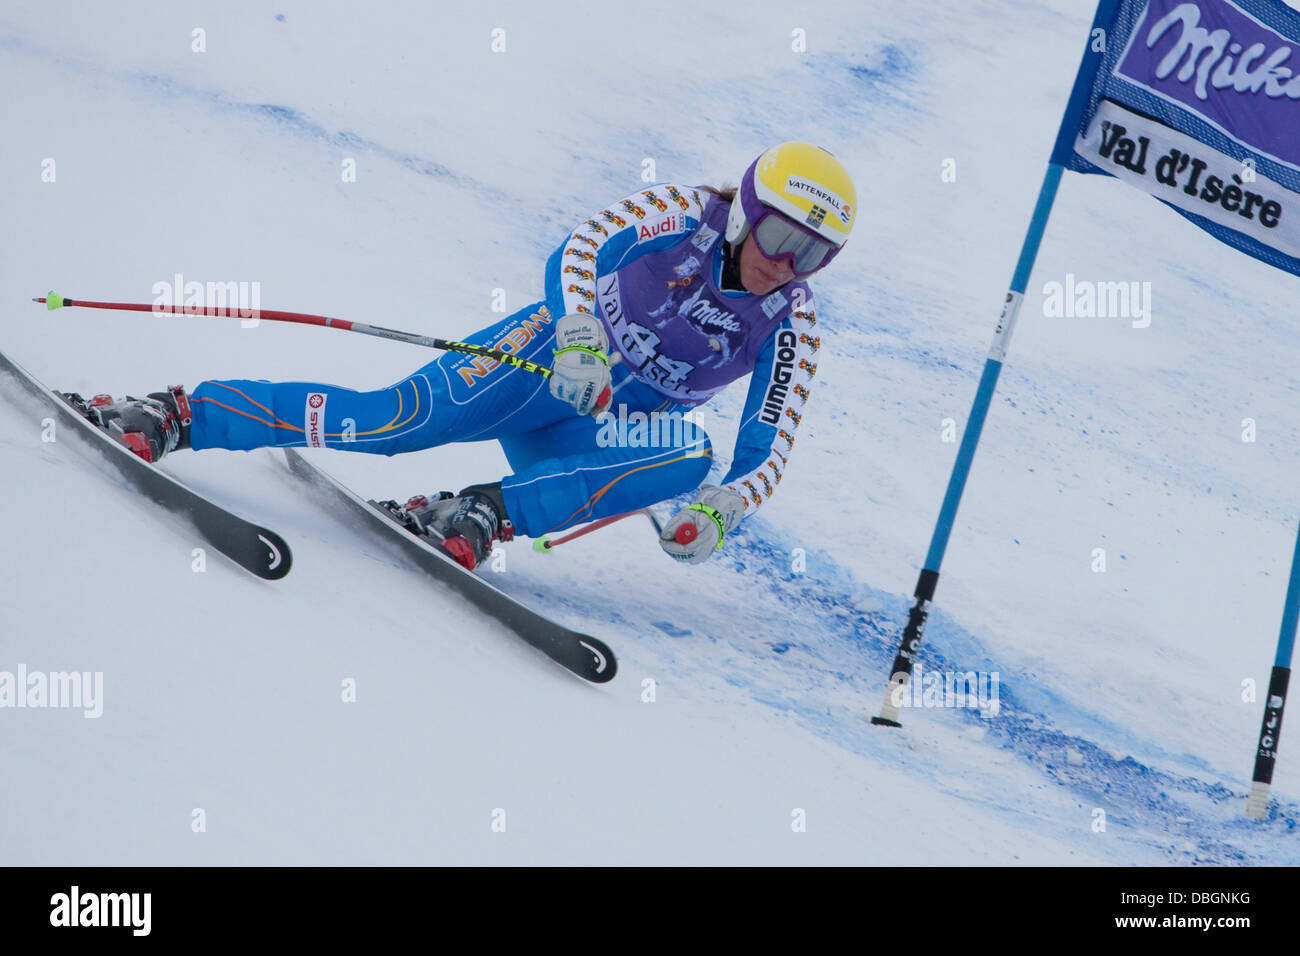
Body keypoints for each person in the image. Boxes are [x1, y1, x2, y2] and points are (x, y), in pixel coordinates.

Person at [80, 142, 856, 569]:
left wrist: (726, 507)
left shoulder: (792, 323)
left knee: (689, 457)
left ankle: (480, 512)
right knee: (389, 424)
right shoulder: (679, 213)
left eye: (814, 255)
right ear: (745, 215)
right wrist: (583, 335)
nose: (788, 264)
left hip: (599, 428)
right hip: (542, 362)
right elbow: (582, 245)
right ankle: (178, 414)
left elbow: (769, 447)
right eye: (783, 237)